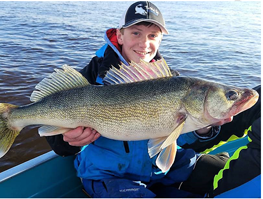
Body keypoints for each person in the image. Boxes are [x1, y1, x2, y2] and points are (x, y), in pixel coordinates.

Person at [45, 1, 259, 197]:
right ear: (120, 36)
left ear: (160, 39)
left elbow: (178, 138)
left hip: (161, 170)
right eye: (136, 33)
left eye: (152, 35)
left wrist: (203, 128)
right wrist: (68, 140)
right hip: (109, 176)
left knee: (228, 177)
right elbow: (57, 141)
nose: (144, 43)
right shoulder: (91, 75)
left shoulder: (172, 80)